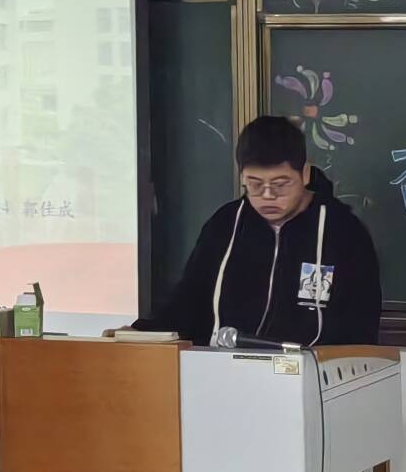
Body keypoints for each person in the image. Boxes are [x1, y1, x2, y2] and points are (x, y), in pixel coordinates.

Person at [130, 115, 381, 347]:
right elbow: (189, 300)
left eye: (281, 184)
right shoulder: (226, 224)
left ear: (305, 173)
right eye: (255, 184)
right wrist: (141, 333)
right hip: (223, 369)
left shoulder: (343, 232)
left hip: (310, 372)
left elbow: (360, 323)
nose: (268, 195)